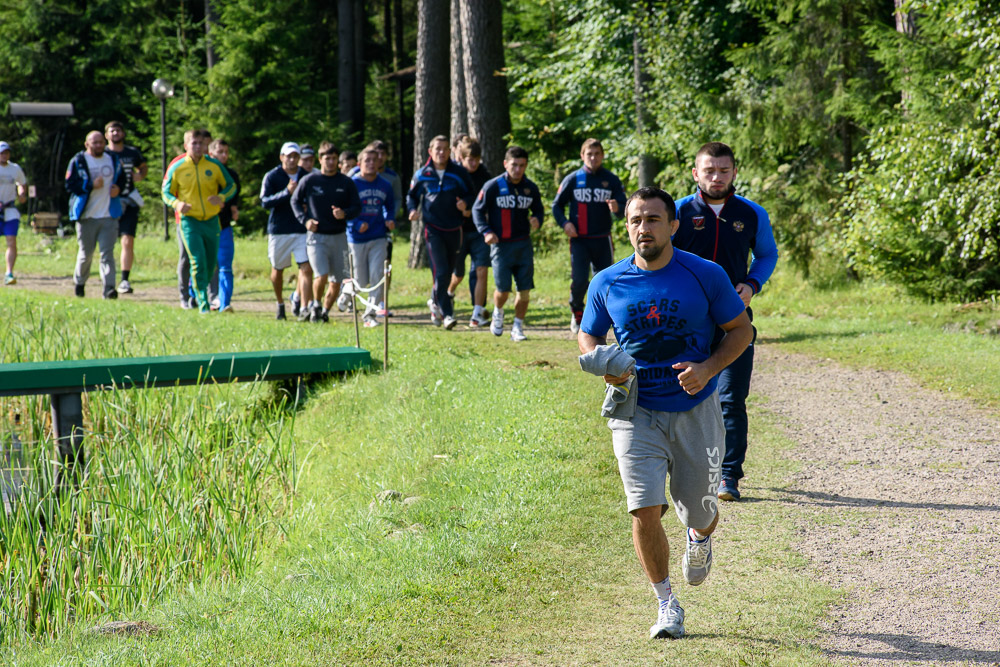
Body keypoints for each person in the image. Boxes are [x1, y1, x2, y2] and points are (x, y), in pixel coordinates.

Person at [578, 186, 753, 640]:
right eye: (636, 220)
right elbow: (588, 336)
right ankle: (666, 603)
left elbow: (741, 330)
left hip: (696, 407)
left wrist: (709, 367)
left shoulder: (705, 275)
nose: (643, 228)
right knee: (644, 509)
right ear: (627, 226)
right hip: (634, 410)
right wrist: (605, 366)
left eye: (653, 219)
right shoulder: (608, 282)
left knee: (701, 509)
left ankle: (699, 538)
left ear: (673, 225)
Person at [672, 142, 778, 502]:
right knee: (688, 394)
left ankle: (728, 475)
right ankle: (686, 465)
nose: (716, 177)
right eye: (709, 170)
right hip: (687, 324)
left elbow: (766, 254)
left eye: (723, 170)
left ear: (734, 172)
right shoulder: (678, 213)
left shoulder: (751, 213)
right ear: (695, 173)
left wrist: (751, 284)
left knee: (732, 399)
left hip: (735, 322)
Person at [552, 138, 627, 334]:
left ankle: (600, 318)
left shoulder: (611, 179)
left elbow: (624, 208)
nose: (593, 158)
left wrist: (617, 207)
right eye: (589, 154)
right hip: (579, 240)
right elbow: (556, 206)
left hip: (602, 238)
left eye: (597, 154)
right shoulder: (573, 179)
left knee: (605, 280)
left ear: (602, 155)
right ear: (582, 156)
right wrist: (565, 223)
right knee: (579, 280)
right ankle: (577, 311)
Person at [472, 145, 545, 342]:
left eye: (522, 165)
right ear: (506, 164)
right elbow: (477, 210)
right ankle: (498, 312)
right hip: (500, 246)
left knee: (524, 291)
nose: (518, 169)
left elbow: (539, 210)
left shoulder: (530, 188)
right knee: (503, 290)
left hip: (523, 245)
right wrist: (486, 232)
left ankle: (518, 327)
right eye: (514, 165)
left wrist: (537, 220)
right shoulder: (493, 186)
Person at [161, 128, 235, 313]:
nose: (198, 146)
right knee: (196, 260)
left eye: (201, 143)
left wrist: (222, 197)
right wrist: (177, 204)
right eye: (194, 143)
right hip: (188, 221)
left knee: (211, 262)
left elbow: (231, 186)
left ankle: (208, 297)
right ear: (186, 145)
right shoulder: (177, 167)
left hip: (211, 220)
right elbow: (165, 192)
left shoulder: (214, 166)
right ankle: (200, 303)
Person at [406, 135, 475, 330]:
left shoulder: (459, 173)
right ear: (430, 151)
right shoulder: (422, 174)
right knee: (441, 271)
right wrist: (412, 210)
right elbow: (411, 196)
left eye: (445, 148)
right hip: (432, 229)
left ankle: (434, 301)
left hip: (454, 228)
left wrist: (465, 203)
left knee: (448, 272)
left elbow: (471, 193)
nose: (441, 152)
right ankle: (447, 314)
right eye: (438, 148)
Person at [290, 141, 361, 323]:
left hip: (339, 236)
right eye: (327, 158)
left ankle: (325, 312)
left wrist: (344, 213)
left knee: (337, 280)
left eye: (333, 159)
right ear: (320, 160)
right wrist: (305, 221)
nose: (330, 162)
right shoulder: (310, 180)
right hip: (316, 237)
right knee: (320, 275)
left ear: (338, 161)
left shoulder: (346, 182)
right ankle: (315, 305)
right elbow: (295, 201)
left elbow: (357, 207)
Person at [65, 130, 127, 299]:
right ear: (87, 144)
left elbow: (122, 178)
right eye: (95, 143)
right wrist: (90, 185)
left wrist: (118, 188)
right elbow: (70, 185)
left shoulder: (112, 159)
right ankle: (80, 282)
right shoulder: (78, 161)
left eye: (101, 142)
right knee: (86, 254)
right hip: (87, 216)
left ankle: (108, 288)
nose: (99, 145)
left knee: (107, 253)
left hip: (109, 214)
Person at [260, 142, 312, 320]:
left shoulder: (306, 176)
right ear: (281, 157)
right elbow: (265, 202)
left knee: (306, 267)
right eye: (288, 156)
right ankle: (280, 303)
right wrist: (286, 193)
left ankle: (304, 307)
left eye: (295, 156)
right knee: (278, 270)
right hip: (279, 230)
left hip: (301, 229)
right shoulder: (272, 176)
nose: (292, 159)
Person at [347, 147, 395, 326]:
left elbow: (389, 206)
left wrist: (390, 219)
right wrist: (356, 223)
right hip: (356, 238)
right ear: (359, 164)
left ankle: (370, 316)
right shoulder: (353, 184)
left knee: (377, 277)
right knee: (360, 280)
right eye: (367, 160)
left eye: (375, 160)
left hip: (378, 236)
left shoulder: (385, 185)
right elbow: (345, 210)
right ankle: (346, 293)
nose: (371, 163)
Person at [448, 137, 491, 327]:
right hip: (458, 231)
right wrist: (461, 210)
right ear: (461, 158)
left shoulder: (485, 177)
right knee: (458, 274)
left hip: (479, 231)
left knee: (481, 270)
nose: (473, 163)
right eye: (469, 159)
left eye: (476, 159)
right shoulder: (455, 175)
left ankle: (477, 313)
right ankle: (448, 293)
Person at [104, 121, 147, 295]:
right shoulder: (103, 153)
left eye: (118, 130)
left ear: (123, 133)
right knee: (107, 242)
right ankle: (107, 277)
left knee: (127, 241)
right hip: (108, 202)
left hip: (129, 200)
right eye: (112, 131)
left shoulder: (132, 153)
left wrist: (140, 175)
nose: (115, 133)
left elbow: (143, 167)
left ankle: (124, 279)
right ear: (107, 134)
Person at [207, 139, 239, 313]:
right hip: (205, 225)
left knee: (225, 265)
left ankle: (224, 303)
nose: (224, 155)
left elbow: (234, 195)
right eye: (220, 152)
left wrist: (233, 207)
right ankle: (199, 299)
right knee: (206, 264)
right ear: (211, 154)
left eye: (226, 152)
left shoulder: (232, 175)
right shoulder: (205, 173)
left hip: (224, 226)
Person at [0, 141, 28, 286]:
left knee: (11, 241)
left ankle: (9, 272)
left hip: (9, 209)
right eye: (2, 153)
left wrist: (21, 193)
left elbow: (21, 183)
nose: (4, 155)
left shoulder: (15, 168)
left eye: (6, 152)